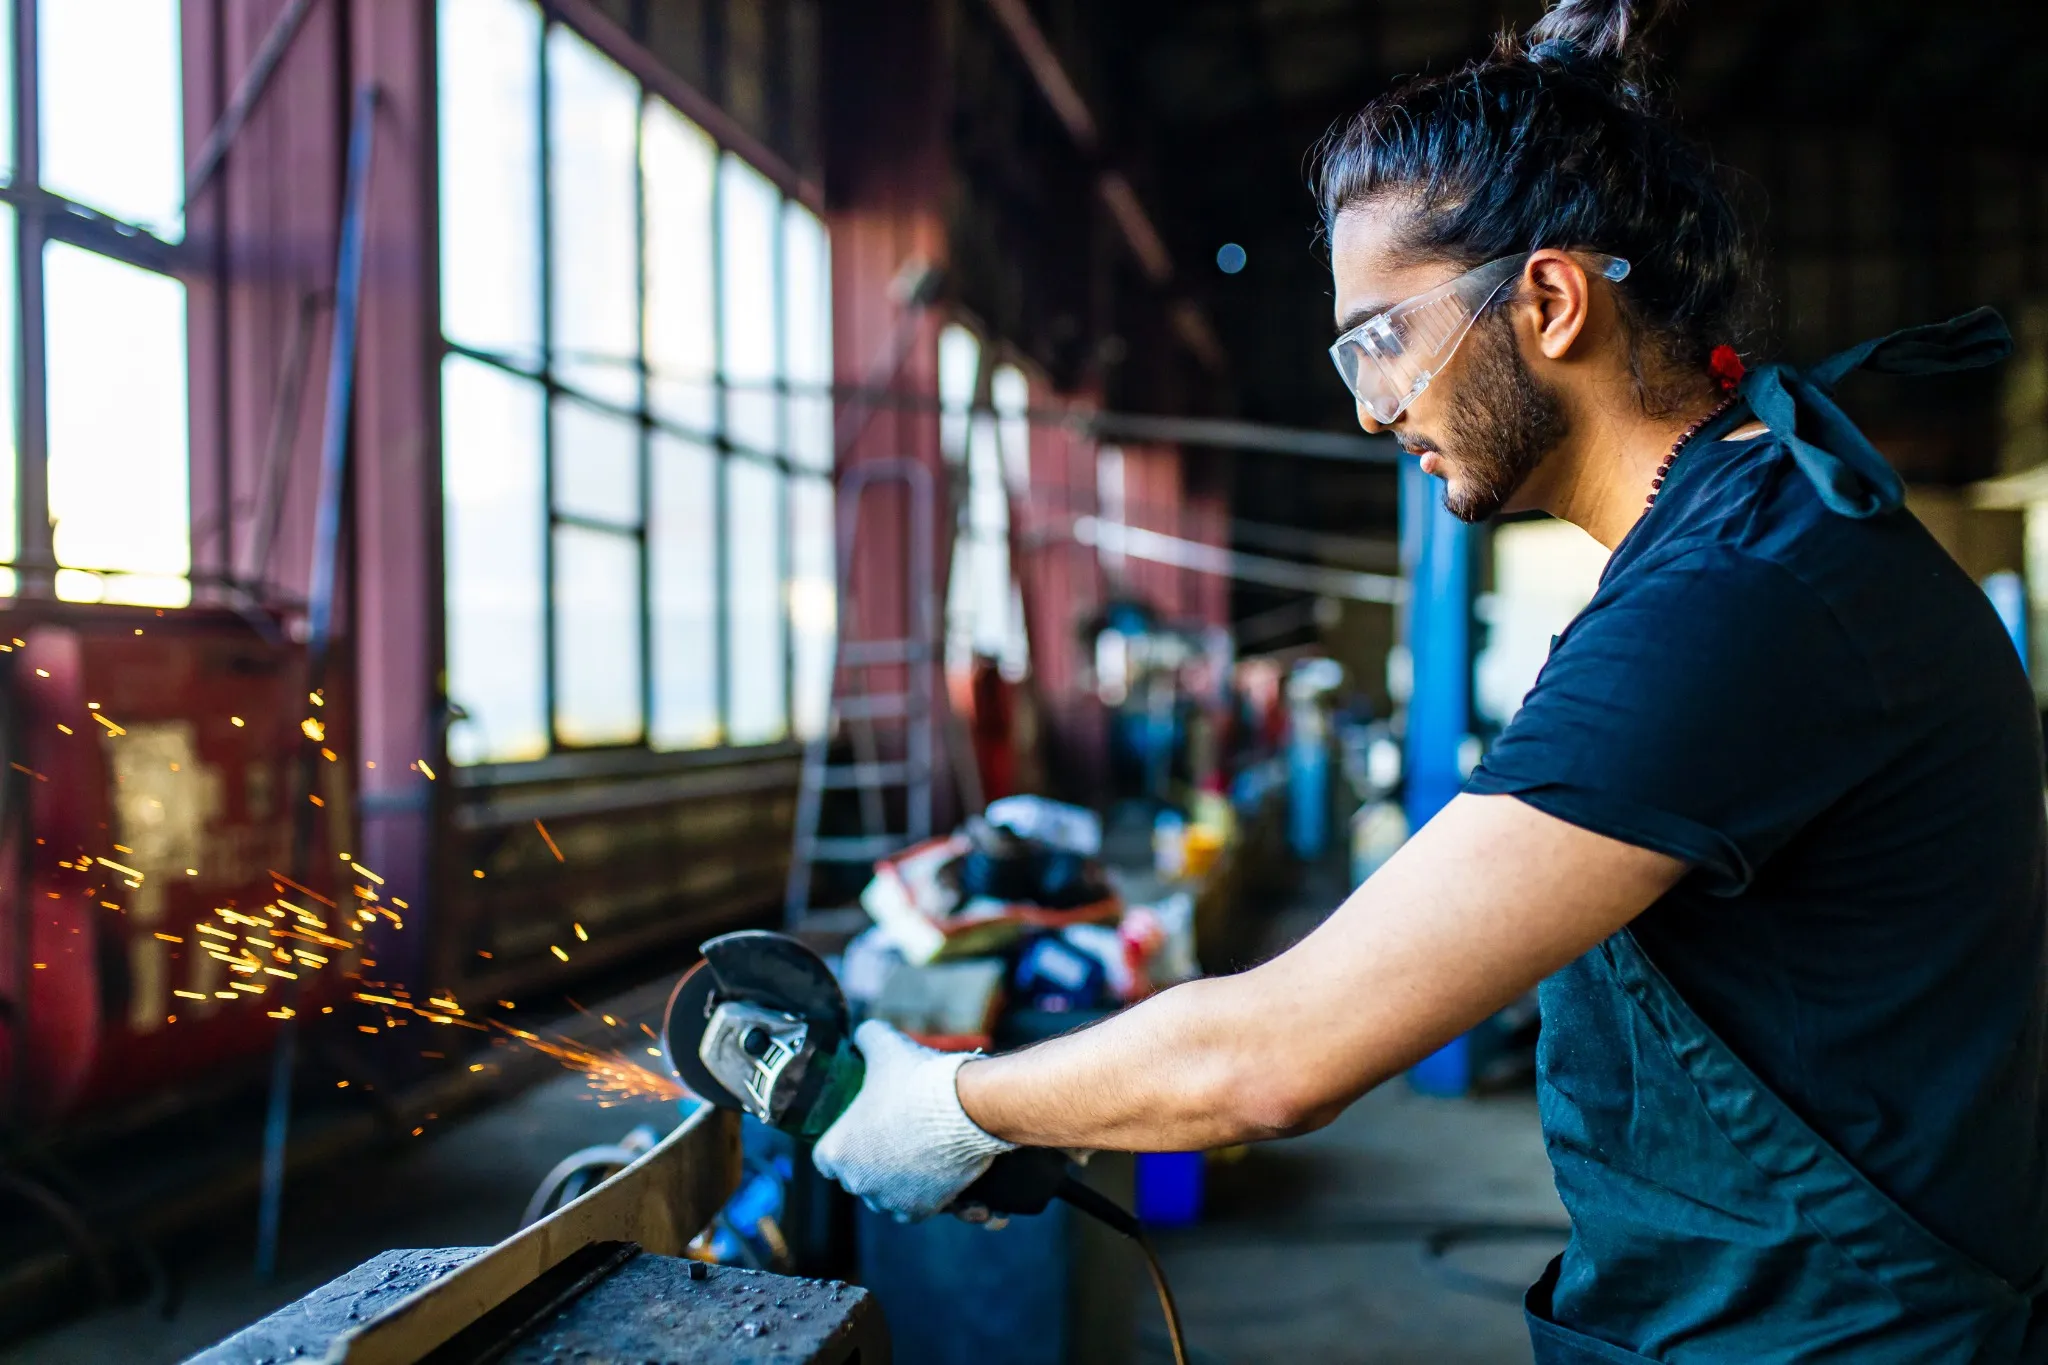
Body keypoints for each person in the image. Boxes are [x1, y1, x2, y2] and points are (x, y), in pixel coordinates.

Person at [812, 0, 2048, 1357]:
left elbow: (1276, 1057)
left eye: (1383, 336)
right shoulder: (1738, 550)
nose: (1370, 402)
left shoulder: (1739, 601)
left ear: (1551, 300)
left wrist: (947, 1108)